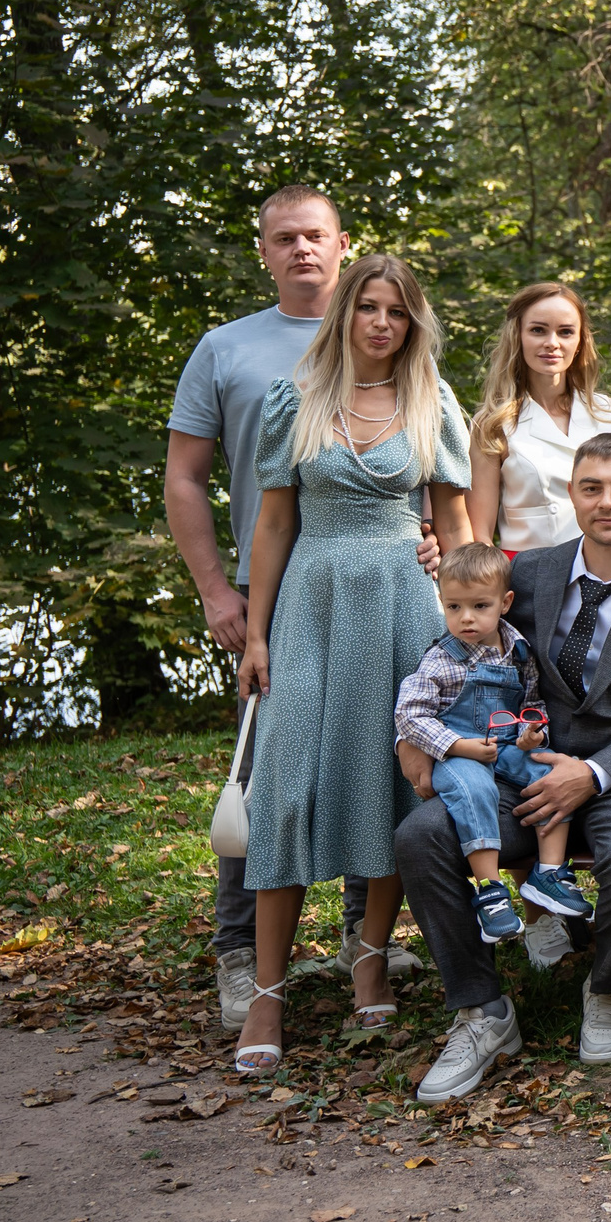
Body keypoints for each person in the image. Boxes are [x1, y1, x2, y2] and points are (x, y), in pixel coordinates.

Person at [165, 185, 425, 1028]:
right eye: (284, 238)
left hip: (387, 595)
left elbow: (449, 506)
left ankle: (364, 945)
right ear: (265, 249)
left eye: (315, 235)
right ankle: (244, 958)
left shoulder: (416, 378)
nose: (301, 249)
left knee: (376, 768)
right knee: (269, 776)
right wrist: (221, 593)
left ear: (342, 244)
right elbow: (188, 478)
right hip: (281, 596)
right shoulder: (230, 350)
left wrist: (441, 554)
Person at [398, 431, 611, 1103]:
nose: (608, 502)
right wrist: (414, 740)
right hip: (522, 767)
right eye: (592, 488)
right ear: (571, 494)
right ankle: (483, 1011)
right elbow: (457, 640)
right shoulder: (529, 573)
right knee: (422, 837)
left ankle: (606, 984)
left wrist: (592, 774)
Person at [234, 254, 477, 1074]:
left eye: (397, 312)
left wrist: (470, 622)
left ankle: (368, 954)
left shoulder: (431, 402)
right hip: (311, 599)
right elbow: (272, 525)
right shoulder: (293, 400)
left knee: (390, 778)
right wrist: (257, 633)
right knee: (288, 781)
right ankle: (267, 992)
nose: (381, 322)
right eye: (368, 307)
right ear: (346, 315)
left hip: (405, 603)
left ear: (412, 325)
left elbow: (457, 520)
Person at [392, 543, 589, 943]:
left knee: (552, 773)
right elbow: (409, 715)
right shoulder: (440, 659)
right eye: (453, 607)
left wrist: (533, 734)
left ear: (505, 602)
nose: (466, 618)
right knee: (475, 788)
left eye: (480, 606)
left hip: (507, 745)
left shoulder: (518, 650)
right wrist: (459, 748)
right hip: (457, 751)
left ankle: (548, 873)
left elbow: (532, 703)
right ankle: (491, 891)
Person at [466, 281, 611, 554]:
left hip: (607, 568)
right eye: (538, 330)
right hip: (529, 575)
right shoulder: (492, 424)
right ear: (517, 336)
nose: (552, 343)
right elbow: (479, 534)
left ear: (579, 342)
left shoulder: (609, 414)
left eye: (565, 332)